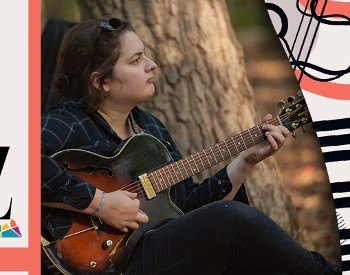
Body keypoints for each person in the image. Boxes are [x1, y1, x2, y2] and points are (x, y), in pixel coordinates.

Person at [41, 17, 340, 275]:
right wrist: (101, 204)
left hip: (159, 254)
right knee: (229, 216)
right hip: (108, 264)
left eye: (145, 55)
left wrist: (246, 160)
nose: (151, 65)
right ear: (101, 81)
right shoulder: (67, 122)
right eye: (136, 60)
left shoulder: (150, 127)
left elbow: (188, 207)